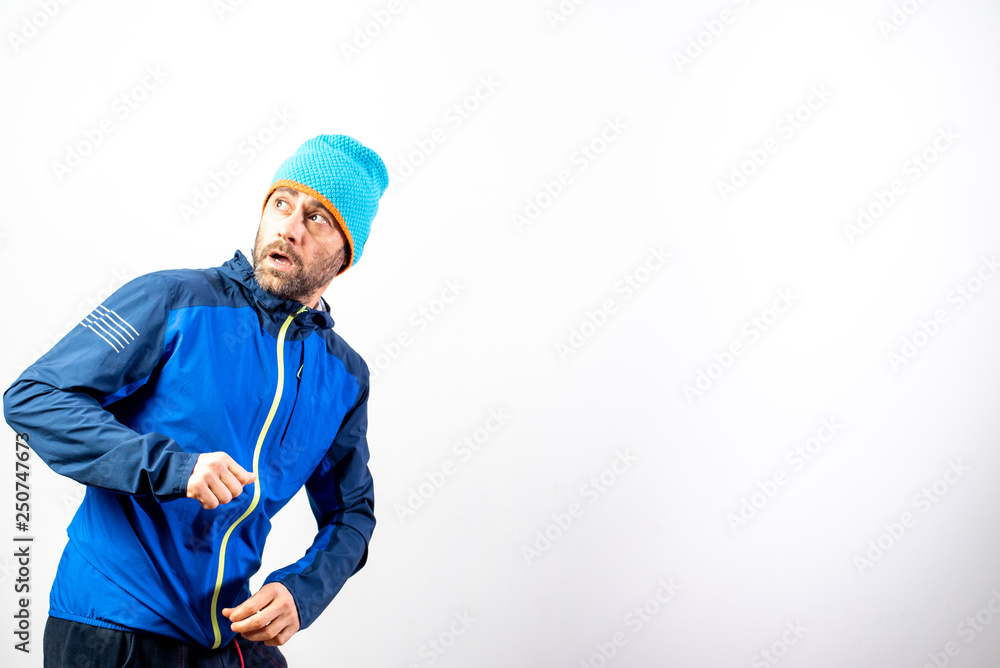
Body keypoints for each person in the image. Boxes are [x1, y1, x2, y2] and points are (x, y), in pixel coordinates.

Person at [3, 134, 389, 667]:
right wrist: (173, 467)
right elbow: (35, 397)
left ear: (345, 256)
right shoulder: (172, 299)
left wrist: (303, 593)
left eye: (318, 218)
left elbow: (352, 514)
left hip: (227, 633)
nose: (289, 228)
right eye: (282, 204)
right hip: (114, 624)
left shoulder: (345, 376)